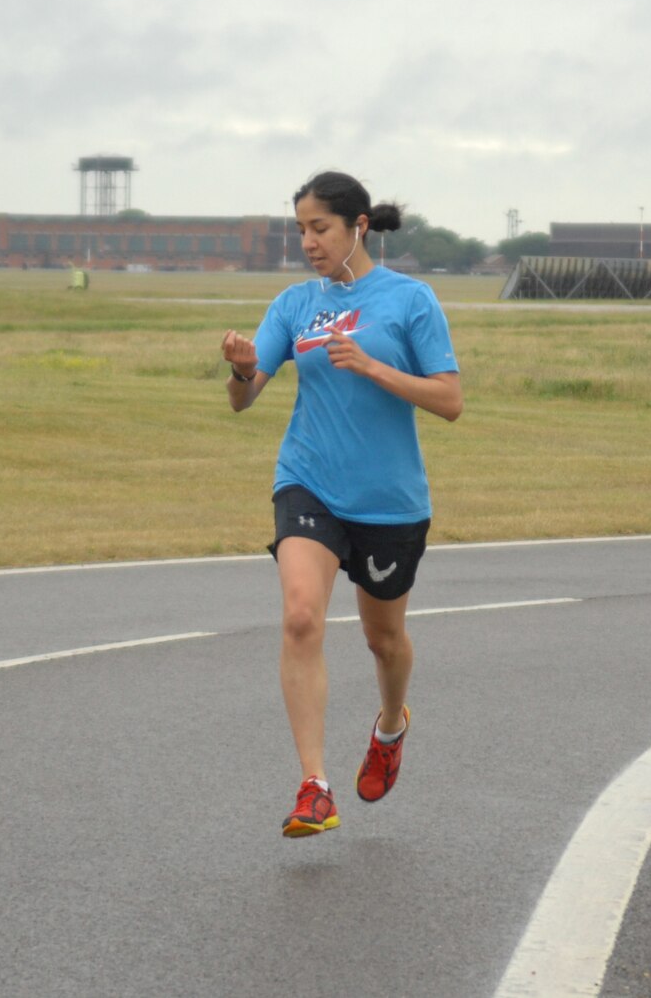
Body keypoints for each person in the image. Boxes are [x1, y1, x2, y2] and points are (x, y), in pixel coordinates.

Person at [220, 171, 462, 838]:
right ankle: (314, 785)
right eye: (299, 229)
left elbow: (450, 401)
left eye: (319, 228)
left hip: (388, 502)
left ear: (358, 226)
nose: (307, 242)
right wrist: (242, 369)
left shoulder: (411, 300)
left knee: (384, 641)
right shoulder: (296, 304)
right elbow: (245, 398)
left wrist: (374, 366)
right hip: (309, 481)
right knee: (301, 617)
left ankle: (391, 725)